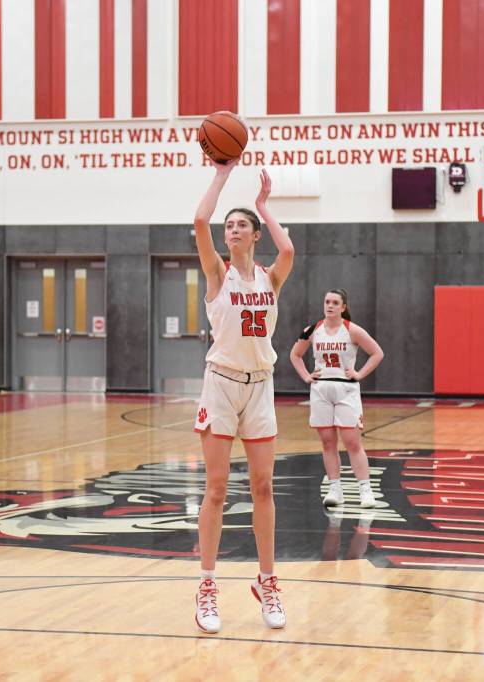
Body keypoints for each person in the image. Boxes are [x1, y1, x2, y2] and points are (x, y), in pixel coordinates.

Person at [191, 161, 294, 634]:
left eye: (240, 226)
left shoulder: (271, 278)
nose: (231, 230)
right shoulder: (217, 273)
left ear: (254, 236)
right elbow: (199, 221)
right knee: (216, 488)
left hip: (261, 386)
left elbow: (289, 246)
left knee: (263, 487)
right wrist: (223, 173)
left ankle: (267, 580)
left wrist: (262, 206)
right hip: (222, 383)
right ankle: (207, 586)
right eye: (228, 226)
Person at [289, 288, 384, 508]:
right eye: (327, 302)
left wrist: (359, 373)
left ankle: (365, 490)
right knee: (327, 443)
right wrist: (306, 376)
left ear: (343, 307)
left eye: (334, 302)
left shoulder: (352, 330)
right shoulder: (312, 330)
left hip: (346, 390)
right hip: (321, 390)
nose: (330, 306)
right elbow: (295, 354)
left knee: (352, 442)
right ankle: (335, 489)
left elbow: (377, 352)